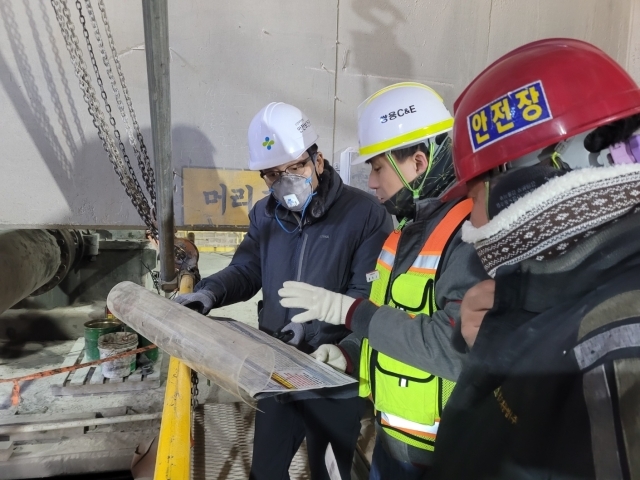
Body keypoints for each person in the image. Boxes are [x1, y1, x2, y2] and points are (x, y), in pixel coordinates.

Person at [426, 38, 640, 479]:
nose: (472, 223)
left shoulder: (621, 340)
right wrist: (505, 336)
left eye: (472, 198)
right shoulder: (570, 297)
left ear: (521, 187)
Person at [278, 83, 488, 479]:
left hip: (443, 457)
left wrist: (350, 312)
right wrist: (349, 352)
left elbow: (454, 347)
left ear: (419, 163)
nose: (372, 182)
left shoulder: (468, 235)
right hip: (393, 441)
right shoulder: (404, 234)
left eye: (377, 168)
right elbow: (391, 322)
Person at [175, 102, 392, 480]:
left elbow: (365, 296)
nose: (286, 181)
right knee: (266, 472)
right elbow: (248, 269)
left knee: (330, 473)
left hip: (332, 374)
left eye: (296, 167)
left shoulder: (365, 214)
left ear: (318, 161)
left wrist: (324, 340)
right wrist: (209, 292)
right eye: (274, 174)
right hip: (276, 367)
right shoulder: (265, 213)